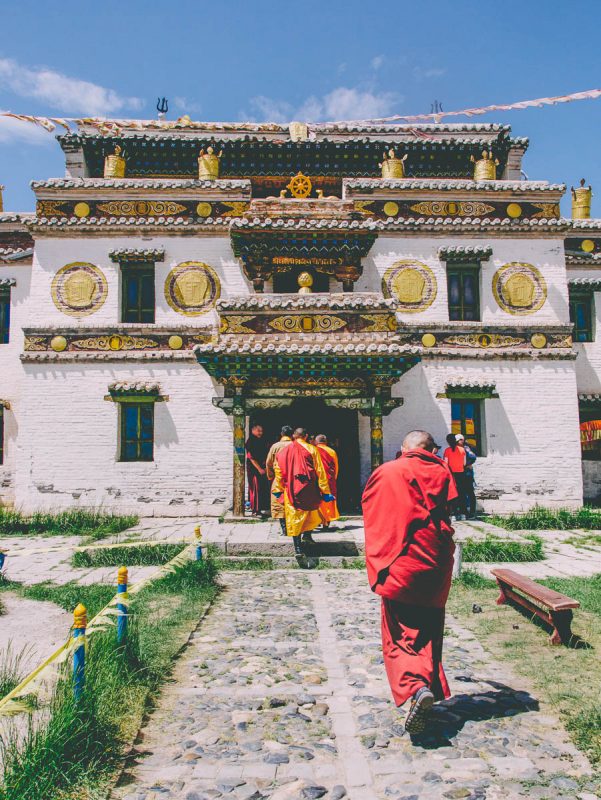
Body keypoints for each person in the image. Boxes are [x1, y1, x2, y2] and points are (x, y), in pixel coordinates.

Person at [362, 430, 458, 734]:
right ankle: (426, 682)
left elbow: (371, 509)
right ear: (431, 450)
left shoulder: (388, 472)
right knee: (428, 626)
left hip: (400, 561)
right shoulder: (441, 471)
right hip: (434, 560)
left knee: (400, 631)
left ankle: (416, 688)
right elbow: (447, 513)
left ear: (404, 448)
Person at [272, 427, 335, 554]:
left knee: (295, 517)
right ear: (305, 436)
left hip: (291, 489)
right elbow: (320, 472)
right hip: (310, 489)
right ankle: (307, 536)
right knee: (311, 514)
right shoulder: (312, 449)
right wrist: (325, 491)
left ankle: (298, 547)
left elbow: (279, 472)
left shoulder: (284, 451)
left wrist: (277, 489)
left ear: (294, 436)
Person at [265, 425, 294, 535]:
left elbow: (269, 463)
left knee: (279, 503)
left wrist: (270, 476)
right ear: (292, 435)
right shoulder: (295, 445)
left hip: (279, 479)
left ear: (281, 434)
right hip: (292, 480)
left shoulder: (275, 446)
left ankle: (284, 529)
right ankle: (293, 527)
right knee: (292, 503)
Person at [314, 434, 340, 529]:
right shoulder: (331, 451)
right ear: (326, 442)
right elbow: (336, 467)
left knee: (317, 500)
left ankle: (317, 521)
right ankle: (327, 522)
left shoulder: (313, 450)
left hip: (317, 479)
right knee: (327, 501)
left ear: (316, 442)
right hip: (329, 479)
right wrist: (333, 478)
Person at [245, 423, 270, 517]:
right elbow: (251, 457)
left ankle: (261, 508)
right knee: (255, 489)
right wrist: (259, 468)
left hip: (261, 468)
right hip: (254, 469)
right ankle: (255, 511)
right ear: (253, 431)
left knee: (261, 488)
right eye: (258, 431)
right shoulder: (251, 441)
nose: (260, 433)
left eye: (261, 431)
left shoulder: (261, 441)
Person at [443, 432, 467, 520]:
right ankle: (463, 514)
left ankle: (453, 514)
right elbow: (464, 463)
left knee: (452, 494)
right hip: (461, 474)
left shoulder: (447, 450)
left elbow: (446, 464)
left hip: (451, 474)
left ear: (448, 441)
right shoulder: (462, 450)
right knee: (462, 493)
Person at [456, 434, 477, 518]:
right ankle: (464, 511)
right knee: (462, 493)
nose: (460, 442)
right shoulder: (456, 449)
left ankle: (472, 512)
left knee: (469, 492)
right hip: (461, 473)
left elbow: (473, 457)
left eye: (460, 440)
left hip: (467, 473)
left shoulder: (466, 448)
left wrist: (467, 465)